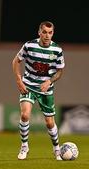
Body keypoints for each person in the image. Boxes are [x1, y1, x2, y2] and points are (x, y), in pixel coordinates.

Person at [12, 21, 65, 160]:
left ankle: (57, 149)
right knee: (25, 115)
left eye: (50, 32)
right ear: (39, 32)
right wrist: (19, 80)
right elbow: (16, 61)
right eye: (45, 32)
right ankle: (24, 147)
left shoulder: (57, 50)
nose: (47, 35)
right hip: (28, 85)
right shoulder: (29, 45)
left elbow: (59, 72)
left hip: (46, 89)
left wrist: (50, 81)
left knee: (49, 123)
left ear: (53, 33)